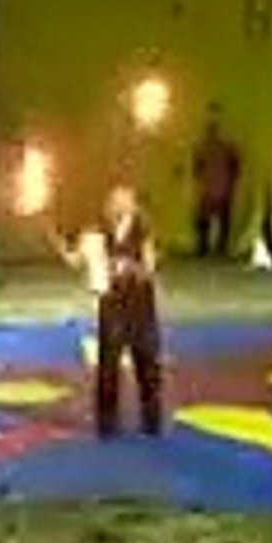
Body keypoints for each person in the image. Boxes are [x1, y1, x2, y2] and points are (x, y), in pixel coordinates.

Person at [59, 184, 164, 438]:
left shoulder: (144, 231)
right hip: (111, 304)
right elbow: (76, 261)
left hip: (140, 304)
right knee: (108, 365)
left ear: (133, 205)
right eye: (114, 200)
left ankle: (151, 421)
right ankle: (106, 423)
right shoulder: (96, 232)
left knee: (146, 364)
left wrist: (130, 266)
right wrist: (60, 245)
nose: (118, 205)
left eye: (125, 200)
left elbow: (149, 269)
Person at [191, 119, 241, 258]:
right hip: (212, 186)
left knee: (220, 218)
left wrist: (231, 182)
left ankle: (216, 247)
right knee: (206, 219)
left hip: (220, 186)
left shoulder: (224, 147)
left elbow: (235, 165)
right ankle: (206, 246)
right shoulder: (203, 147)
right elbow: (197, 167)